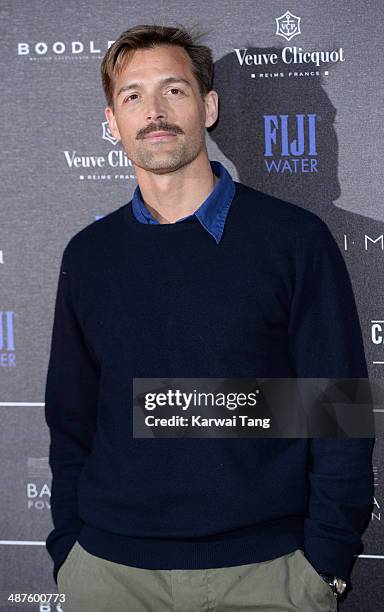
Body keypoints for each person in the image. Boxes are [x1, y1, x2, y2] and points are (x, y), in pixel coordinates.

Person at [44, 23, 374, 612]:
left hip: (266, 577)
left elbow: (336, 414)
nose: (154, 111)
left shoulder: (294, 242)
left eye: (174, 90)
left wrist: (323, 565)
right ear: (113, 123)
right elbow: (71, 418)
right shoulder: (88, 256)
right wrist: (70, 551)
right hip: (108, 575)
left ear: (209, 107)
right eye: (133, 96)